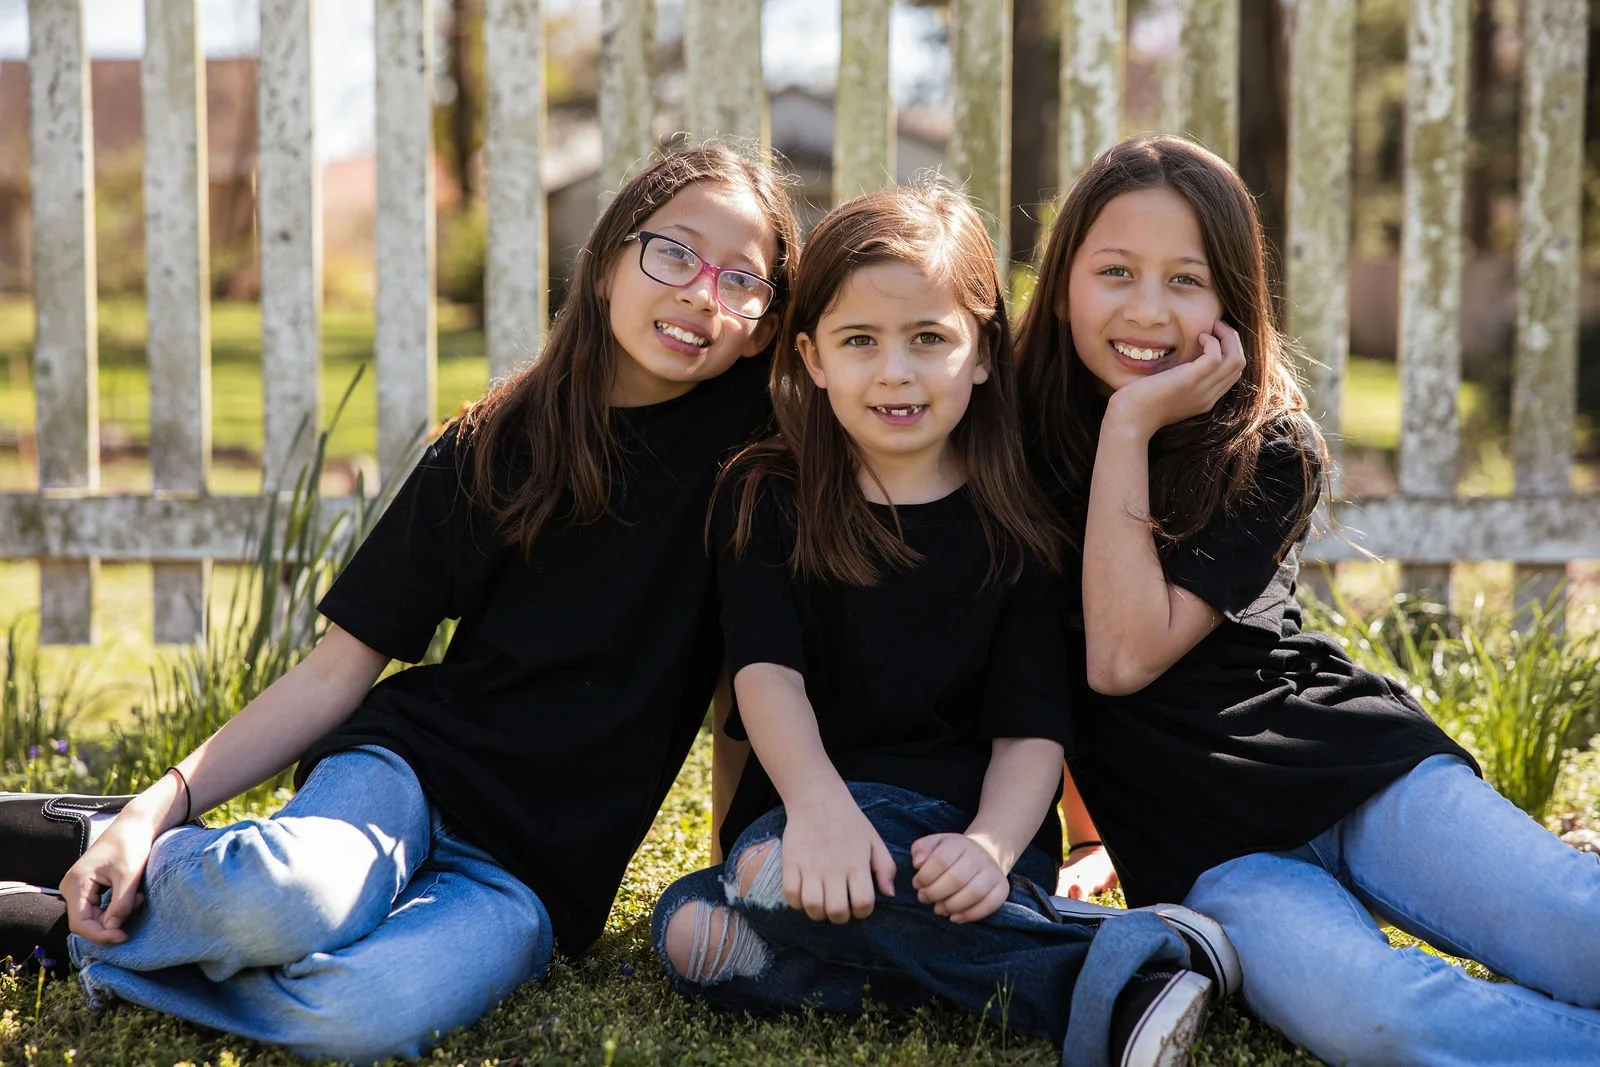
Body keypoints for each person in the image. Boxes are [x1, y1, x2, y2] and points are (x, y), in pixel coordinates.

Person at [0, 142, 800, 1062]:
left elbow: (748, 699)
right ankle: (121, 833)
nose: (704, 292)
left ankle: (56, 929)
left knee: (360, 1013)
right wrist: (160, 804)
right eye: (676, 253)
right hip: (408, 774)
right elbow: (337, 672)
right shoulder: (497, 443)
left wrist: (732, 873)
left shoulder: (756, 479)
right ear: (612, 254)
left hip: (531, 878)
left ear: (769, 326)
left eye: (745, 279)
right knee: (287, 902)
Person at [1016, 134, 1600, 1063]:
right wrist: (1088, 840)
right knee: (1381, 1019)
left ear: (1231, 302)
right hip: (1211, 857)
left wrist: (1129, 423)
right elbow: (1094, 671)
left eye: (1185, 280)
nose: (1147, 310)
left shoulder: (1267, 446)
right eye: (1115, 272)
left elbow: (1130, 650)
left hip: (1347, 768)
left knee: (1578, 927)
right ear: (1062, 281)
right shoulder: (1012, 449)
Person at [653, 183, 1227, 1067]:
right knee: (689, 932)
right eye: (859, 341)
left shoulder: (1020, 522)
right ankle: (1099, 961)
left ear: (984, 352)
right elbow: (768, 677)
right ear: (809, 357)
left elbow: (1031, 731)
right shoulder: (770, 494)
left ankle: (1102, 980)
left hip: (968, 843)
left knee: (760, 889)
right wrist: (819, 808)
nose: (896, 371)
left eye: (929, 338)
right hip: (815, 819)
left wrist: (993, 848)